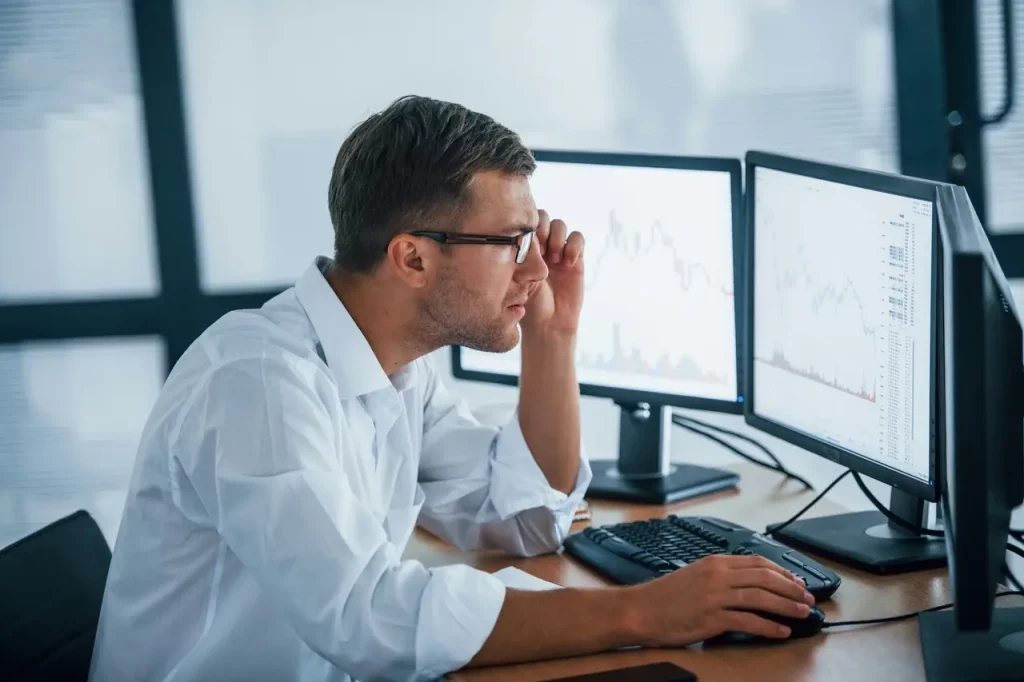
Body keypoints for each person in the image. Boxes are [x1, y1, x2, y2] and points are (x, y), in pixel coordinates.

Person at [89, 95, 816, 682]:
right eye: (510, 243)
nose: (535, 270)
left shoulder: (395, 367)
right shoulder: (258, 385)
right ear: (411, 258)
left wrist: (552, 337)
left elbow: (526, 517)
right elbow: (365, 617)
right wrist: (643, 613)